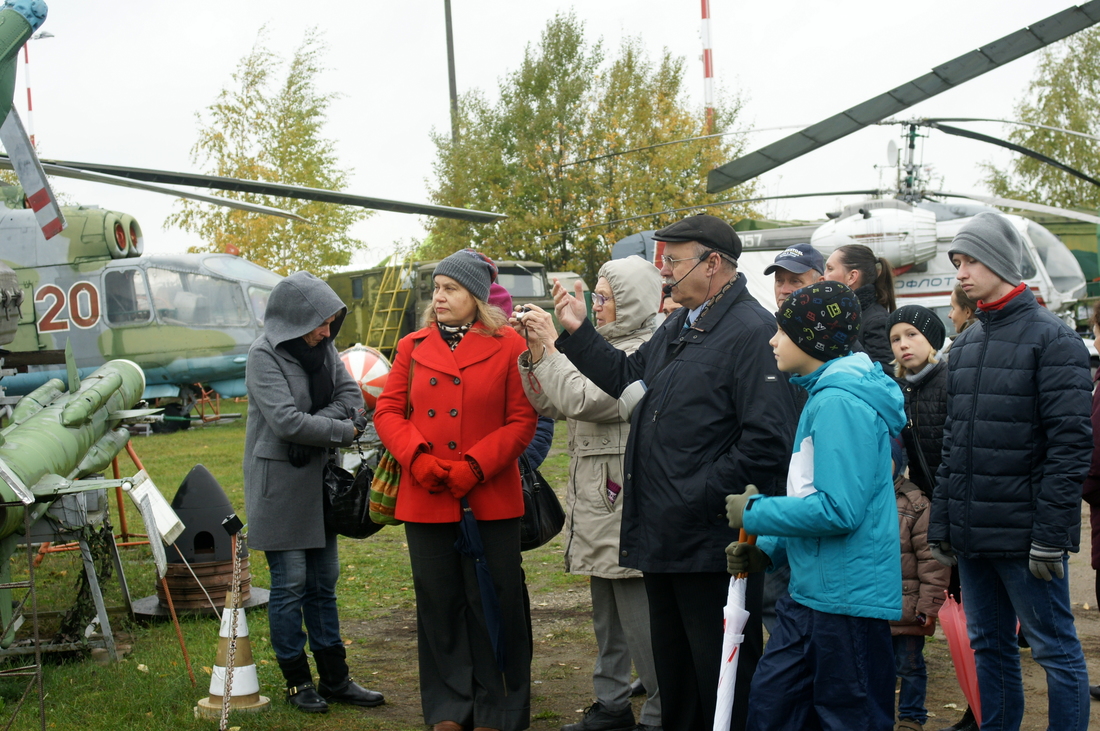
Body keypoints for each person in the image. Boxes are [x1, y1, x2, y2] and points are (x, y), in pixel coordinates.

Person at [551, 214, 796, 731]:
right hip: (663, 536)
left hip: (710, 545)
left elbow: (767, 441)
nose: (663, 272)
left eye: (674, 260)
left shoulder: (751, 332)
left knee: (722, 680)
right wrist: (577, 328)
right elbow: (626, 376)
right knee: (677, 674)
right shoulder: (680, 326)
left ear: (713, 264)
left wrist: (694, 494)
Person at [928, 212, 1092, 731]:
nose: (960, 272)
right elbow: (954, 443)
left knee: (1055, 650)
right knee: (988, 648)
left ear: (1000, 261)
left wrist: (1050, 535)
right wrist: (944, 525)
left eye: (970, 259)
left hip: (1027, 540)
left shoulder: (1053, 340)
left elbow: (1070, 445)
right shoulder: (969, 344)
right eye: (956, 261)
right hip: (974, 538)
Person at [725, 280, 904, 731]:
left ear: (811, 338)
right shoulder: (822, 395)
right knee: (772, 709)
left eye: (782, 330)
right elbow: (810, 492)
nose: (772, 339)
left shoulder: (840, 403)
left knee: (849, 719)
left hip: (847, 605)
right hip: (809, 595)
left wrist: (756, 511)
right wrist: (768, 548)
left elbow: (838, 510)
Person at [374, 249, 537, 731]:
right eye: (436, 288)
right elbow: (387, 411)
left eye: (450, 289)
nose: (438, 297)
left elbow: (522, 421)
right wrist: (418, 458)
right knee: (438, 602)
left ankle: (498, 707)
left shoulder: (509, 345)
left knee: (495, 599)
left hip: (488, 497)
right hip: (427, 495)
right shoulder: (412, 345)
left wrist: (476, 466)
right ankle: (449, 708)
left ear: (475, 297)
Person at [517, 256, 663, 731]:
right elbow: (549, 402)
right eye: (594, 296)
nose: (595, 306)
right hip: (599, 494)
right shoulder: (601, 344)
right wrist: (536, 355)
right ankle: (612, 702)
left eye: (603, 297)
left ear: (631, 300)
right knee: (607, 607)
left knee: (639, 610)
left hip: (621, 492)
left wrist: (551, 350)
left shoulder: (645, 348)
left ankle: (661, 710)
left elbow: (587, 399)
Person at [243, 271, 384, 713]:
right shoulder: (262, 356)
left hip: (317, 483)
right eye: (321, 322)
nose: (328, 330)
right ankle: (298, 682)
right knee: (291, 585)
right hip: (279, 488)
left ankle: (336, 678)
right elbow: (285, 421)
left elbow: (353, 397)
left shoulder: (324, 349)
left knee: (324, 581)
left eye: (330, 321)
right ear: (295, 319)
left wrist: (321, 426)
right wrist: (341, 430)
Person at [888, 438, 950, 731]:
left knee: (910, 665)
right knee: (879, 667)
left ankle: (912, 717)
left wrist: (928, 607)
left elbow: (932, 562)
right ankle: (881, 712)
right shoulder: (862, 498)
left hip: (910, 609)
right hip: (876, 607)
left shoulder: (916, 504)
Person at [888, 305, 947, 497]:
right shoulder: (904, 392)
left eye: (911, 334)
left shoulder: (952, 382)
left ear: (930, 338)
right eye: (895, 339)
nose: (903, 344)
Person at [823, 244, 895, 370]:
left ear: (851, 277)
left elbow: (888, 380)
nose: (823, 277)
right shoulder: (841, 317)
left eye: (830, 268)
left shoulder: (876, 322)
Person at [764, 243, 824, 310]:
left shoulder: (833, 319)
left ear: (820, 284)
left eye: (795, 281)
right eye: (779, 281)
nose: (784, 290)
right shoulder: (764, 319)